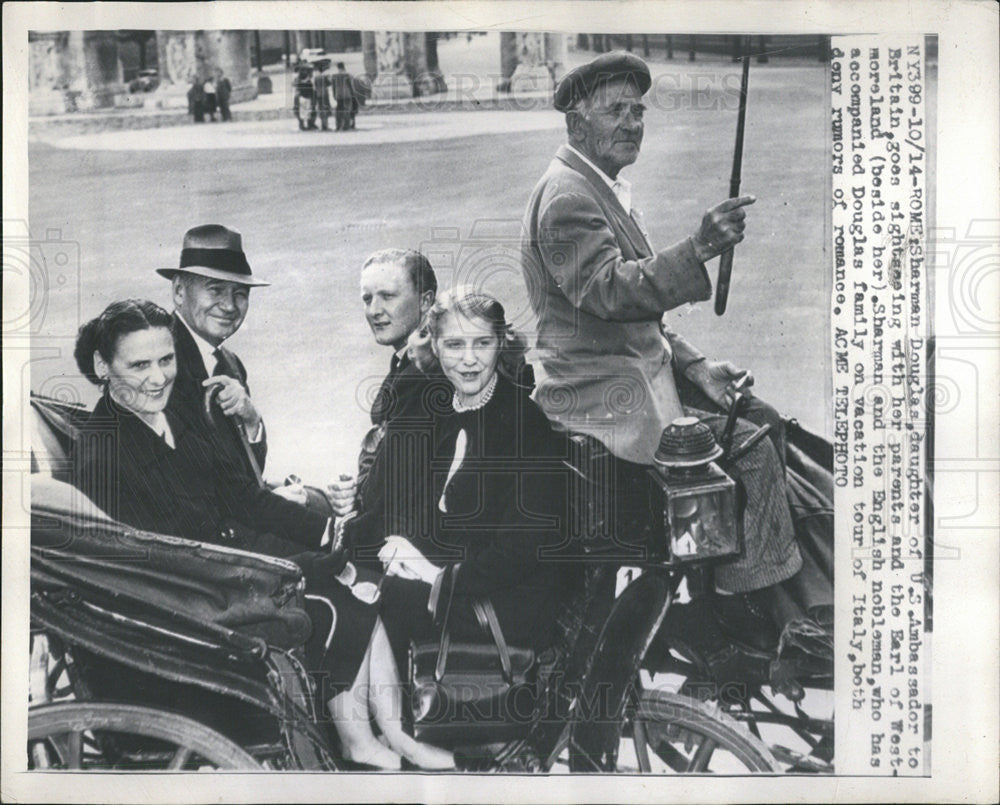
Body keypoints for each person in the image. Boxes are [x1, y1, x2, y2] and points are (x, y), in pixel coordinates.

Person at [520, 51, 801, 648]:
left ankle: (774, 594)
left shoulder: (596, 185)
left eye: (637, 111)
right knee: (750, 453)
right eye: (614, 111)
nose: (631, 123)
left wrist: (698, 365)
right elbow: (610, 292)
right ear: (577, 124)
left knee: (767, 421)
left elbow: (637, 317)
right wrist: (698, 247)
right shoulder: (569, 196)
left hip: (631, 373)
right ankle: (739, 614)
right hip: (600, 396)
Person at [70, 298, 388, 768]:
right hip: (193, 617)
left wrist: (333, 532)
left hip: (221, 579)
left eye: (167, 359)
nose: (159, 378)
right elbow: (179, 565)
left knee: (360, 573)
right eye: (139, 365)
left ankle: (382, 738)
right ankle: (356, 748)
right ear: (103, 365)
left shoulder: (176, 419)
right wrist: (304, 567)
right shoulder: (104, 457)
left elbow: (244, 498)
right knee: (340, 598)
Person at [332, 287, 575, 769]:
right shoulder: (436, 407)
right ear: (434, 347)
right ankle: (378, 737)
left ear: (500, 345)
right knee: (342, 585)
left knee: (374, 601)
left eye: (481, 345)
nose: (468, 361)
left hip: (502, 597)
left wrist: (431, 573)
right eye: (454, 346)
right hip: (452, 574)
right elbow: (403, 504)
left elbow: (524, 547)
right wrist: (358, 553)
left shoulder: (525, 423)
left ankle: (394, 740)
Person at [327, 249, 450, 567]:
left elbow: (390, 499)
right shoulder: (411, 364)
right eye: (367, 299)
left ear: (426, 302)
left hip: (412, 552)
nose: (374, 311)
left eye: (388, 296)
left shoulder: (423, 376)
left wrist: (339, 534)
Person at [156, 224, 269, 479]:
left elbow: (251, 474)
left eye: (239, 293)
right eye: (215, 289)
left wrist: (251, 419)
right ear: (179, 291)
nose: (229, 306)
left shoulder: (231, 364)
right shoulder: (157, 358)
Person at [330, 62, 357, 131]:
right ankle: (346, 126)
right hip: (347, 94)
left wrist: (334, 95)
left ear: (337, 67)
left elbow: (333, 87)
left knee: (338, 110)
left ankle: (338, 126)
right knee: (347, 110)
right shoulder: (347, 75)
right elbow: (351, 85)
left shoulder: (334, 76)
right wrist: (353, 94)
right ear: (343, 67)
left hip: (338, 94)